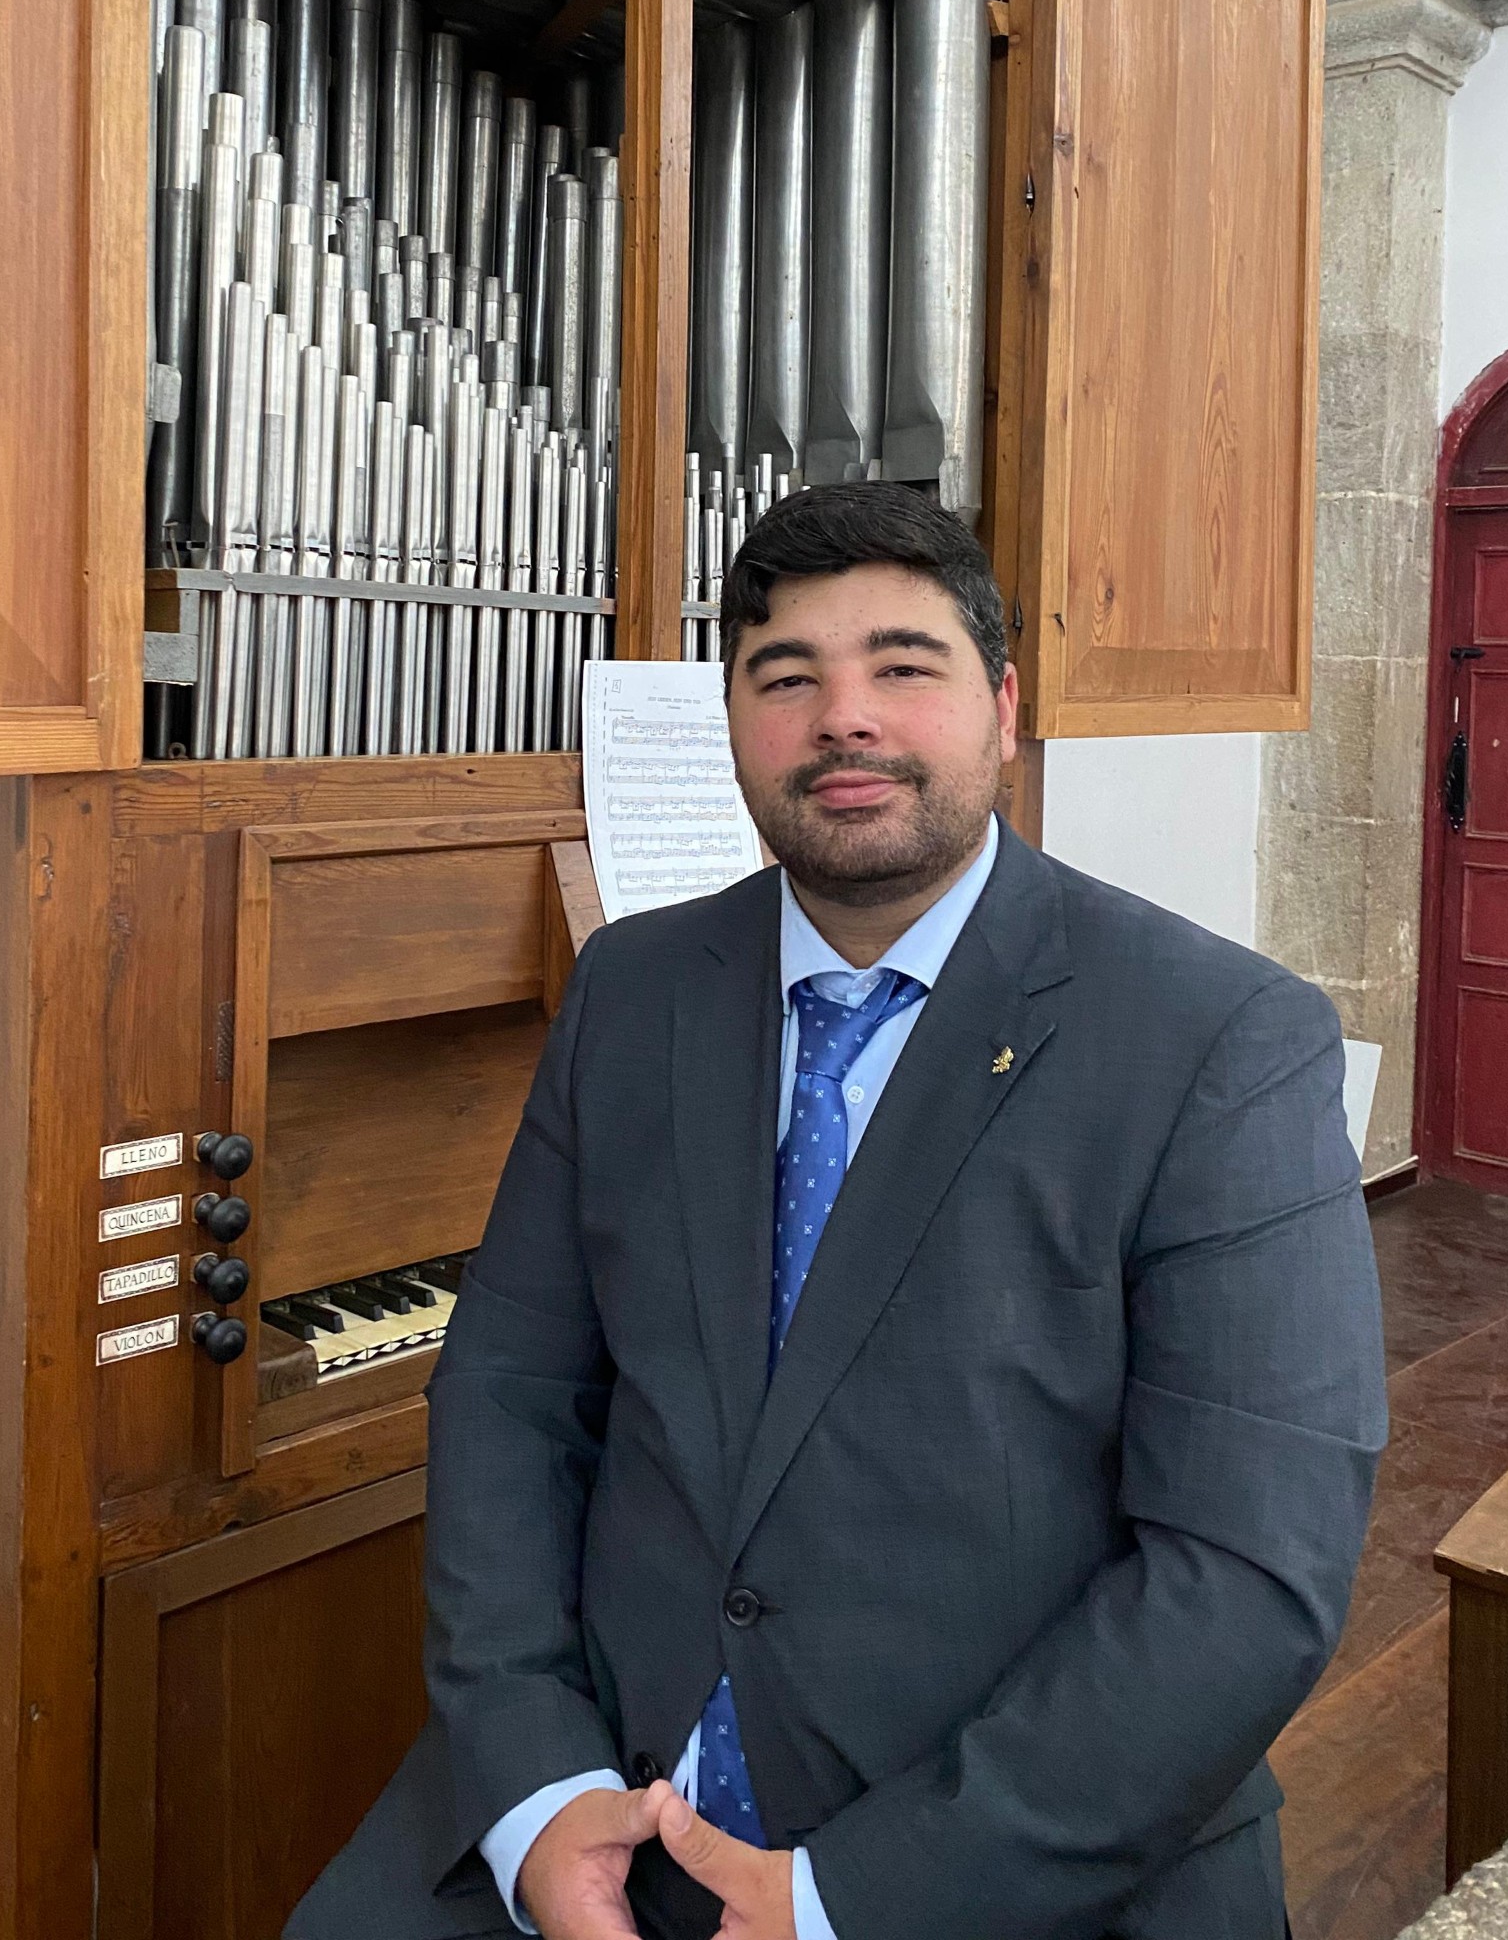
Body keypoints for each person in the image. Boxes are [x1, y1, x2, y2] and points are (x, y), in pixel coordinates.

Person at [290, 482, 1387, 1940]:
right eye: (785, 676)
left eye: (902, 667)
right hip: (617, 1790)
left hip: (1007, 1840)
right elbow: (505, 1392)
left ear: (1001, 705)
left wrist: (848, 1902)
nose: (843, 718)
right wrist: (534, 1785)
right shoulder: (633, 992)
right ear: (733, 718)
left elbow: (1245, 1573)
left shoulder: (1221, 1040)